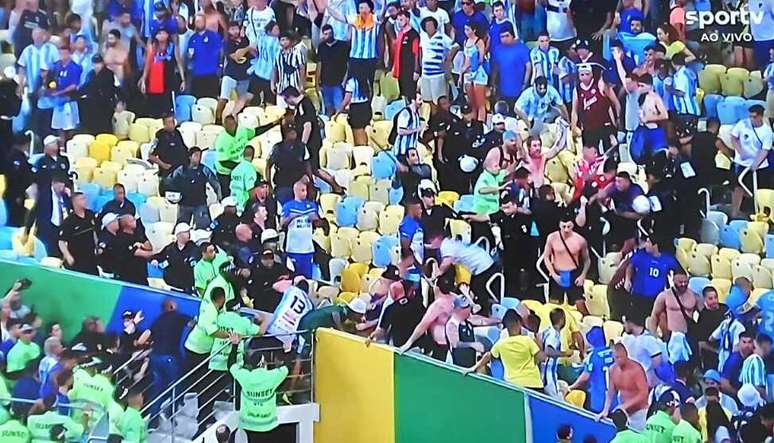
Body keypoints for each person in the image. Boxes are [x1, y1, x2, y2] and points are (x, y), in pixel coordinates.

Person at [227, 332, 291, 442]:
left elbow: (231, 365)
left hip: (249, 424)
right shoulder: (273, 376)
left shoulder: (245, 376)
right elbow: (287, 367)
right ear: (263, 363)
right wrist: (287, 352)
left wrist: (235, 345)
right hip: (269, 424)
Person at [463, 309, 545, 391]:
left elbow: (488, 355)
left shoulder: (503, 343)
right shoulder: (523, 339)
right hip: (527, 382)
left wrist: (473, 368)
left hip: (519, 384)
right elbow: (542, 358)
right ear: (519, 323)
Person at [620, 236, 681, 323]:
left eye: (648, 243)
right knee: (636, 320)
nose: (645, 245)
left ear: (655, 245)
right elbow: (630, 265)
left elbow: (678, 272)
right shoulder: (641, 255)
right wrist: (627, 279)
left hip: (655, 298)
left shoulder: (667, 259)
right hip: (638, 295)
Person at [729, 104, 772, 218]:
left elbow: (765, 150)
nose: (751, 119)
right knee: (737, 187)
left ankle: (763, 214)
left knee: (760, 191)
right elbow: (733, 137)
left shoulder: (767, 132)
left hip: (760, 166)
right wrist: (740, 151)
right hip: (741, 163)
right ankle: (735, 212)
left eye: (753, 117)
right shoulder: (743, 124)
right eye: (750, 116)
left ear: (760, 117)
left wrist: (756, 164)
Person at [544, 213, 591, 314]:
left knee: (581, 307)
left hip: (574, 274)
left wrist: (583, 275)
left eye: (568, 226)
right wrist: (553, 274)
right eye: (563, 226)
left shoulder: (580, 240)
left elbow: (587, 260)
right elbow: (546, 257)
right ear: (559, 225)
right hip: (557, 273)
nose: (566, 229)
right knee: (554, 308)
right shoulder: (552, 238)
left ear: (573, 225)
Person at [648, 271, 698, 364]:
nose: (683, 284)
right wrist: (654, 335)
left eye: (685, 282)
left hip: (689, 335)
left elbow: (703, 314)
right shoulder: (664, 296)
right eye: (680, 282)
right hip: (672, 336)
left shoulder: (694, 295)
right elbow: (654, 316)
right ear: (673, 280)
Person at [598, 343, 649, 432]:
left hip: (640, 412)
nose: (619, 360)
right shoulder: (612, 370)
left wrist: (625, 406)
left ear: (626, 355)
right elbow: (610, 392)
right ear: (613, 357)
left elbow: (644, 393)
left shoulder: (636, 369)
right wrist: (605, 410)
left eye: (621, 357)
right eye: (617, 357)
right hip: (624, 414)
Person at [169, 147, 222, 229]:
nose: (199, 158)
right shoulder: (181, 170)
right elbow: (170, 182)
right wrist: (172, 197)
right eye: (196, 155)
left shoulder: (204, 169)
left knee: (204, 228)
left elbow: (215, 183)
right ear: (190, 157)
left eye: (200, 155)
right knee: (181, 227)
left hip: (200, 204)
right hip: (184, 204)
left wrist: (219, 197)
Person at [281, 181, 324, 279]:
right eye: (302, 190)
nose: (305, 193)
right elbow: (281, 224)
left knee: (307, 279)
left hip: (308, 249)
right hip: (293, 249)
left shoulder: (312, 206)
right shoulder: (288, 206)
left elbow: (321, 224)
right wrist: (291, 217)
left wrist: (316, 219)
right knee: (294, 277)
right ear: (295, 191)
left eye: (305, 191)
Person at [568, 326, 614, 413]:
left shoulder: (593, 356)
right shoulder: (613, 352)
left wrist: (571, 387)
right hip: (614, 401)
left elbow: (585, 377)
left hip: (598, 402)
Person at [24, 173, 71, 257]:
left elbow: (71, 210)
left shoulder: (65, 196)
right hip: (45, 231)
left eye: (62, 187)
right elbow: (33, 212)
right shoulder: (44, 195)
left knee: (57, 257)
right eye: (59, 187)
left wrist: (70, 196)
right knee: (46, 255)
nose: (61, 189)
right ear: (53, 184)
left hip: (60, 231)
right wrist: (27, 230)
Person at [491, 24, 530, 110]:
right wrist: (493, 83)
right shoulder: (497, 49)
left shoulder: (522, 48)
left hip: (518, 90)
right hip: (503, 91)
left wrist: (525, 84)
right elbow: (495, 68)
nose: (504, 39)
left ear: (513, 36)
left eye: (507, 36)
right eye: (502, 37)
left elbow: (528, 67)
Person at [152, 223, 200, 293]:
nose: (188, 234)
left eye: (188, 232)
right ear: (179, 234)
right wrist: (155, 260)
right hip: (170, 286)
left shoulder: (194, 249)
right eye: (186, 232)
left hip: (187, 288)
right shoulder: (170, 248)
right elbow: (159, 256)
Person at [57, 192, 98, 275]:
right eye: (81, 199)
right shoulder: (69, 221)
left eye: (85, 198)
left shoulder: (91, 215)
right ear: (75, 202)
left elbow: (94, 232)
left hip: (91, 258)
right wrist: (68, 256)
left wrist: (97, 246)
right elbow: (61, 242)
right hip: (77, 259)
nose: (85, 201)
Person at [78, 54, 117, 135]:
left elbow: (112, 89)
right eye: (95, 63)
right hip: (92, 105)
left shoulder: (109, 74)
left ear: (102, 63)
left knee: (105, 128)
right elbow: (86, 87)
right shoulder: (90, 74)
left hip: (105, 105)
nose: (97, 66)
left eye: (99, 63)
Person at [540, 308, 573, 399]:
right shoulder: (553, 334)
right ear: (562, 320)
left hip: (544, 372)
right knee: (557, 401)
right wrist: (565, 353)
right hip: (549, 374)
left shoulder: (547, 331)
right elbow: (548, 351)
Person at [316, 24, 349, 116]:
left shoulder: (342, 46)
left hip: (338, 83)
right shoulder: (321, 47)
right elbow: (319, 65)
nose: (328, 35)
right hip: (325, 83)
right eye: (326, 34)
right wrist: (317, 83)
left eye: (330, 33)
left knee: (339, 109)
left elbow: (348, 65)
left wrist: (345, 80)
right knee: (328, 108)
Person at [150, 114, 189, 186]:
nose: (172, 124)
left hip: (181, 170)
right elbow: (151, 156)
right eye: (169, 122)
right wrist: (163, 165)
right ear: (164, 124)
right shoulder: (159, 135)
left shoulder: (177, 133)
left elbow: (184, 149)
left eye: (172, 122)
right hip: (168, 173)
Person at [720, 331, 755, 398]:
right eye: (744, 342)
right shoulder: (733, 360)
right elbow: (724, 383)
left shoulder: (753, 357)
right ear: (739, 343)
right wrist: (738, 394)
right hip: (736, 397)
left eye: (749, 342)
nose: (747, 345)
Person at [740, 333, 772, 398]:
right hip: (756, 403)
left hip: (747, 401)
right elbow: (759, 387)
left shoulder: (747, 360)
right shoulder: (757, 361)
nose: (771, 349)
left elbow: (741, 382)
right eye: (770, 345)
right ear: (764, 345)